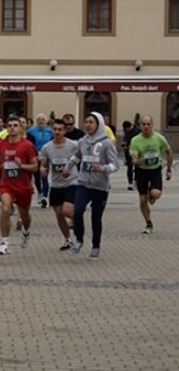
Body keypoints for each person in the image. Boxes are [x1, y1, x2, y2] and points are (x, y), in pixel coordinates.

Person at [63, 112, 118, 261]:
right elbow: (77, 156)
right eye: (86, 122)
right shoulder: (82, 141)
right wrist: (68, 167)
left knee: (96, 218)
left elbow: (115, 165)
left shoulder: (106, 143)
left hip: (100, 187)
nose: (88, 125)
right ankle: (79, 240)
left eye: (91, 122)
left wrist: (103, 168)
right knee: (78, 210)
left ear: (99, 124)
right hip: (83, 184)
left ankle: (95, 246)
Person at [0, 117, 38, 255]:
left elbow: (35, 166)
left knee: (24, 215)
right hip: (7, 184)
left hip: (23, 186)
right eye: (10, 125)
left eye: (15, 125)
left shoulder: (27, 145)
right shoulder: (1, 144)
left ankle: (26, 231)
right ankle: (5, 242)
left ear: (21, 128)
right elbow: (1, 158)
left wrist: (22, 165)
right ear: (6, 128)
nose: (12, 128)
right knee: (5, 209)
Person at [38, 119, 79, 251]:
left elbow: (83, 158)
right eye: (55, 129)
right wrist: (42, 169)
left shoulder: (73, 145)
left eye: (60, 129)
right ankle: (68, 240)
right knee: (59, 214)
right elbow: (43, 164)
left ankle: (79, 220)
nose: (57, 132)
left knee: (66, 210)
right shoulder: (47, 147)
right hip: (56, 185)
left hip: (71, 182)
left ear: (65, 131)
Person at [129, 115, 173, 234]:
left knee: (156, 193)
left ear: (152, 125)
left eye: (148, 124)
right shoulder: (135, 140)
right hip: (141, 171)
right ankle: (148, 223)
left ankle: (151, 196)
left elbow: (169, 152)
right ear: (140, 126)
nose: (146, 127)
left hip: (155, 170)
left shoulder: (159, 138)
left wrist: (169, 169)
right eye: (144, 124)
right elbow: (133, 160)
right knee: (143, 200)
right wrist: (138, 161)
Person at [27, 113, 53, 207]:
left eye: (43, 119)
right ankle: (40, 192)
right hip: (35, 155)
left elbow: (53, 142)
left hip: (46, 155)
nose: (41, 121)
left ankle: (45, 196)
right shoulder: (31, 131)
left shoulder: (50, 131)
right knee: (37, 176)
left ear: (46, 121)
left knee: (45, 175)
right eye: (39, 120)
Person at [120, 120, 140, 190]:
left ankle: (136, 181)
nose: (126, 131)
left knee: (137, 167)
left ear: (130, 127)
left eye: (126, 129)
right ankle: (130, 183)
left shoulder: (138, 131)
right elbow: (125, 138)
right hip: (128, 152)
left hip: (136, 151)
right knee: (129, 167)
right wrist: (124, 143)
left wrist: (130, 147)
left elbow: (139, 141)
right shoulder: (126, 131)